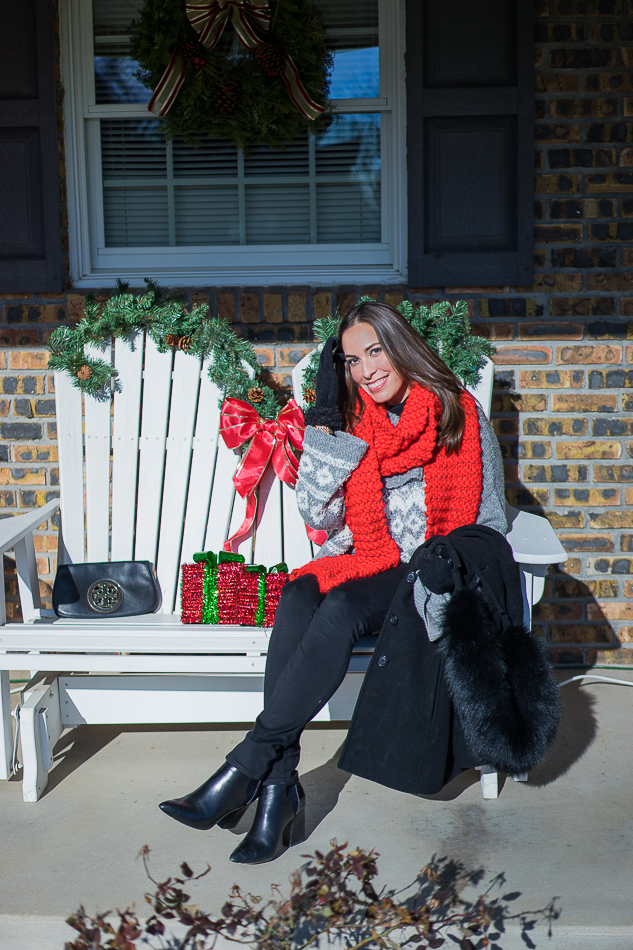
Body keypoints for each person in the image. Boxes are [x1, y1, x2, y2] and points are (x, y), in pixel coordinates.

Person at [159, 301, 507, 865]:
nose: (367, 370)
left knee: (342, 607)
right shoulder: (352, 424)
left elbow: (490, 521)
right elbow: (319, 520)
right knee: (298, 592)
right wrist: (324, 426)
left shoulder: (458, 415)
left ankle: (249, 766)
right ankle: (277, 789)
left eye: (375, 351)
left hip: (430, 569)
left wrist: (449, 564)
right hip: (370, 556)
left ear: (401, 347)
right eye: (352, 361)